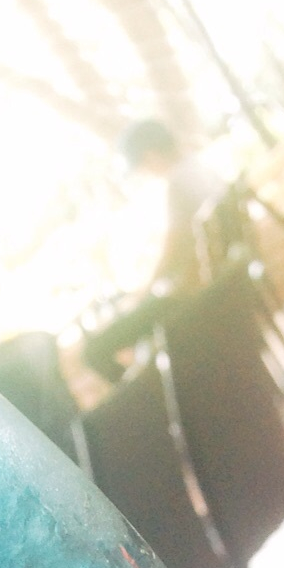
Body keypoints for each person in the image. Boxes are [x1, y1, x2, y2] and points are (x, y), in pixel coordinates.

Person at [82, 120, 225, 386]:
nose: (145, 174)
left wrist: (142, 291)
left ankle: (156, 401)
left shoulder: (177, 184)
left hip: (190, 295)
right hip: (221, 281)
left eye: (141, 168)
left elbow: (171, 251)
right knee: (139, 327)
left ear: (150, 156)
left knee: (94, 351)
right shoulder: (198, 167)